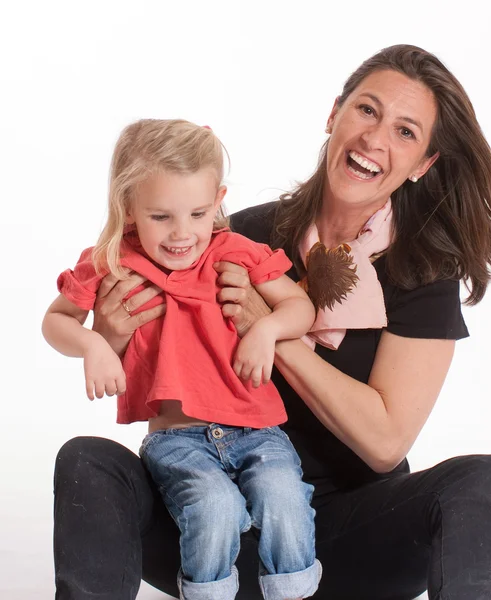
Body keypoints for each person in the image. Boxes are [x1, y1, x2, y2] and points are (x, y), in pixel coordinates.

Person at [52, 45, 491, 600]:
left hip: (345, 540)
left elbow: (386, 442)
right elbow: (146, 345)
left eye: (405, 132)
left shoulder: (424, 275)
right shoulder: (236, 237)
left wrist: (270, 326)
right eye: (367, 110)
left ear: (422, 164)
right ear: (334, 113)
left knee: (483, 480)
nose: (375, 139)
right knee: (86, 461)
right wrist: (106, 334)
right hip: (206, 524)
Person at [43, 119, 321, 600]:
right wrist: (92, 344)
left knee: (285, 498)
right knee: (214, 508)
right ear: (128, 207)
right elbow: (55, 321)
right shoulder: (112, 260)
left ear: (218, 200)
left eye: (197, 213)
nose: (181, 234)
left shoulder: (234, 250)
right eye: (161, 217)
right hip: (178, 439)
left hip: (259, 432)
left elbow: (301, 306)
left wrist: (268, 329)